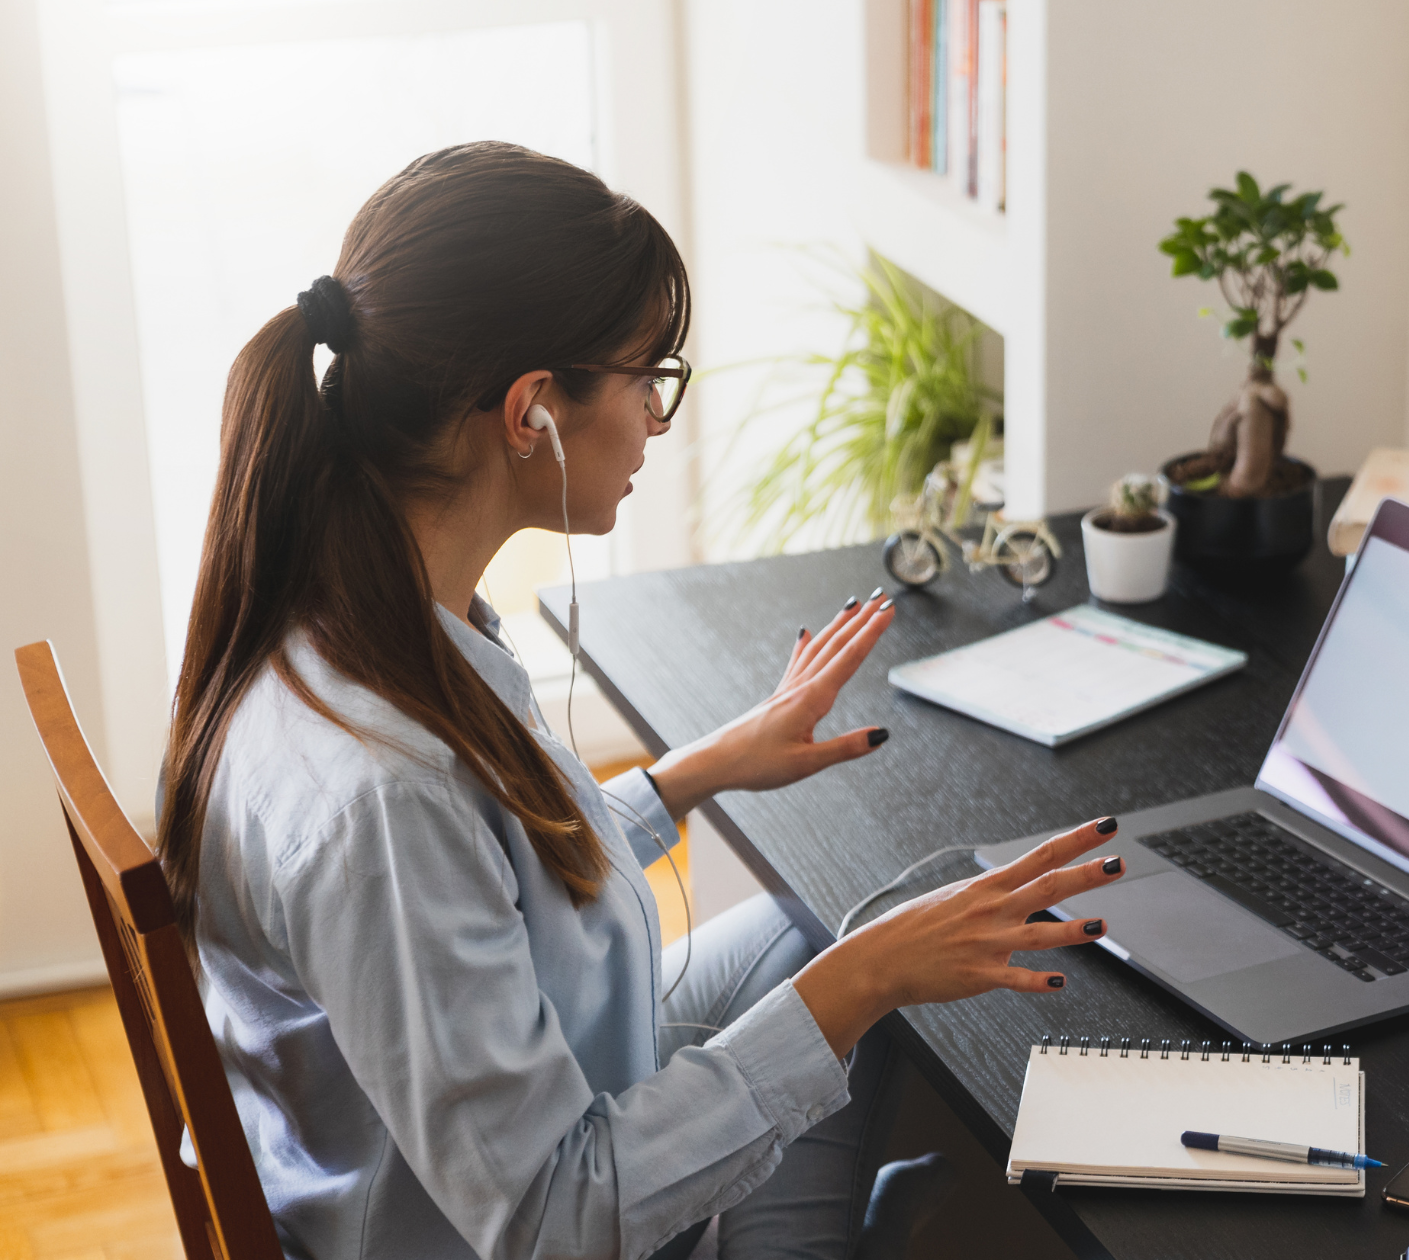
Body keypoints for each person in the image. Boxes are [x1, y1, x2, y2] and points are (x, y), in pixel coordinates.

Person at [159, 141, 1123, 1260]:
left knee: (859, 910)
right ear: (535, 413)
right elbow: (550, 1218)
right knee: (871, 971)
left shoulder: (353, 619)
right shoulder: (386, 792)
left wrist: (689, 774)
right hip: (531, 1219)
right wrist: (862, 985)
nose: (659, 423)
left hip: (520, 1116)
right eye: (646, 377)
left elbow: (490, 886)